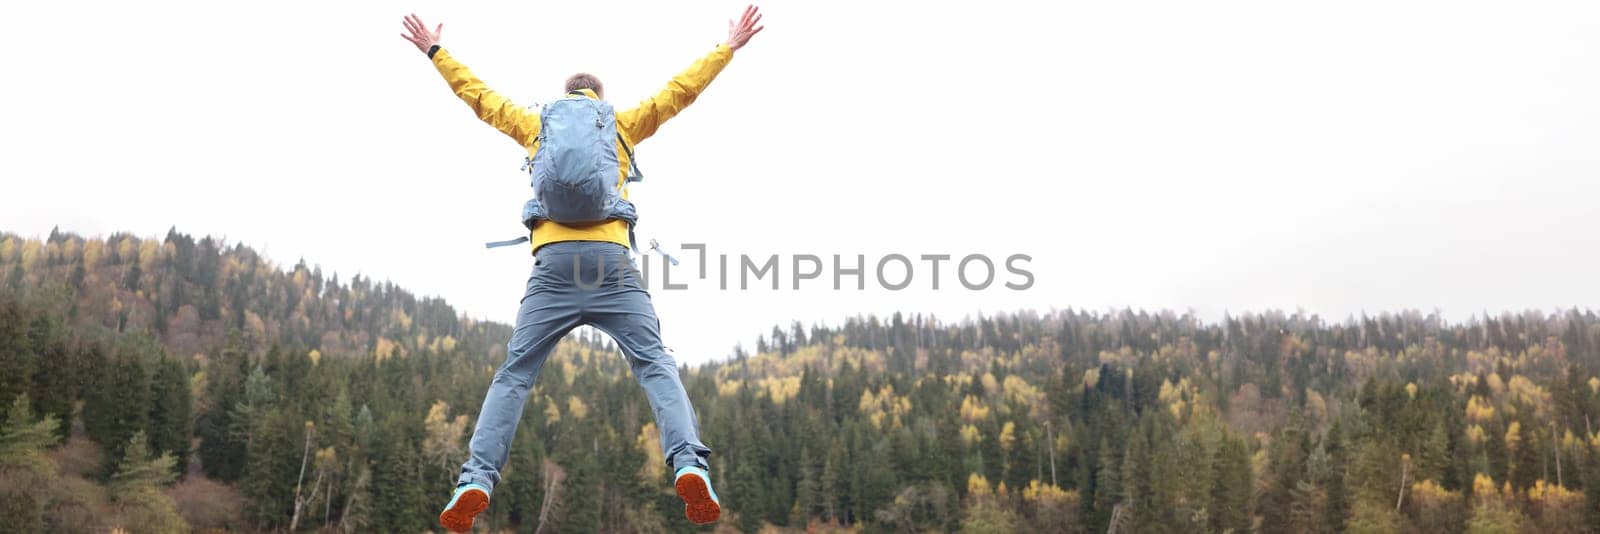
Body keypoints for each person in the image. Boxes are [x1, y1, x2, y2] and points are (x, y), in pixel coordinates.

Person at [399, 6, 764, 532]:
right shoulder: (619, 125)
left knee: (516, 374)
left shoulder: (535, 125)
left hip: (552, 266)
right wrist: (727, 47)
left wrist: (435, 51)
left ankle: (476, 479)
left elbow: (477, 96)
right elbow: (681, 90)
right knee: (655, 364)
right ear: (598, 98)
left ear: (565, 96)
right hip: (610, 265)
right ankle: (688, 463)